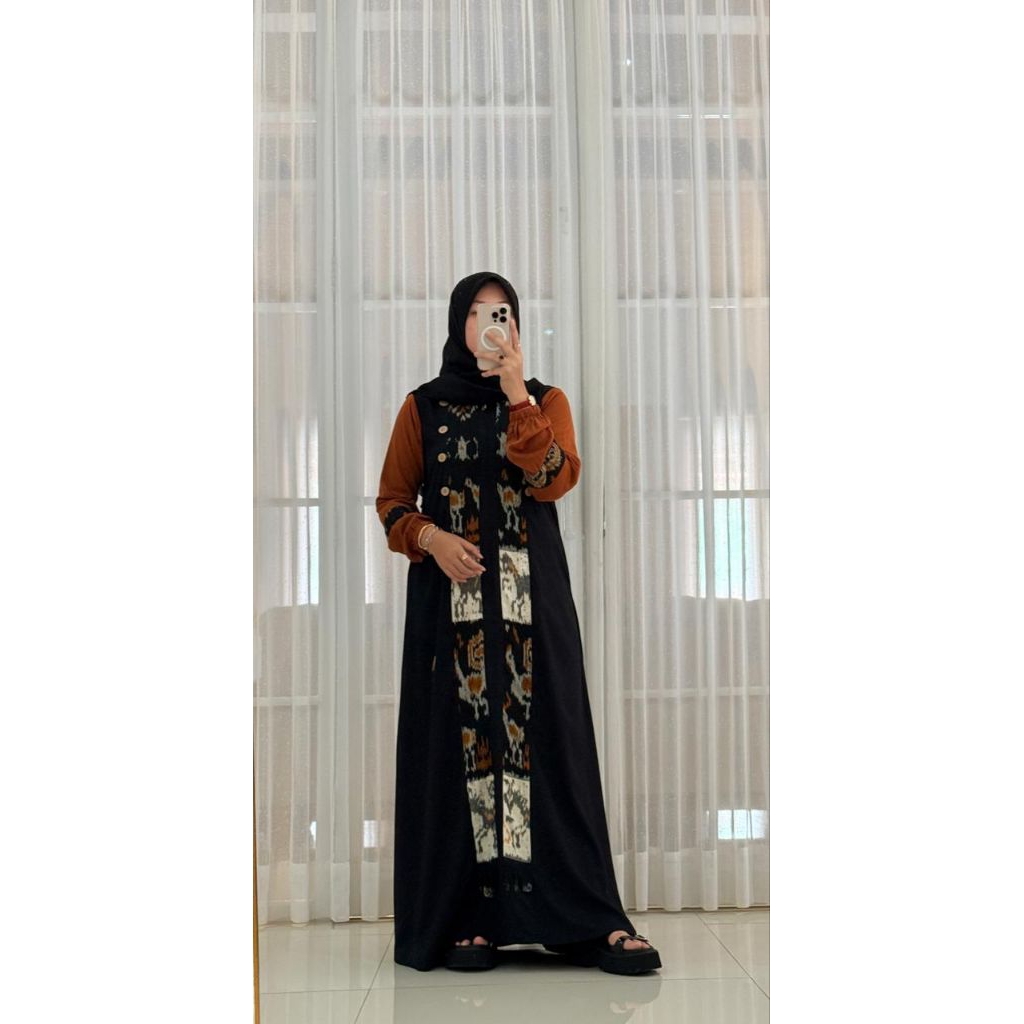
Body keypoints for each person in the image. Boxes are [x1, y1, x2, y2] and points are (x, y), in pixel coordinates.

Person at [376, 271, 662, 975]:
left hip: (536, 609)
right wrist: (432, 539)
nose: (490, 325)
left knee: (550, 745)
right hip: (452, 615)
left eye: (501, 313)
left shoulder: (544, 401)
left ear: (517, 325)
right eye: (477, 313)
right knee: (460, 750)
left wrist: (516, 394)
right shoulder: (423, 407)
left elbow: (554, 479)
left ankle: (585, 918)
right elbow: (392, 502)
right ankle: (467, 920)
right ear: (458, 325)